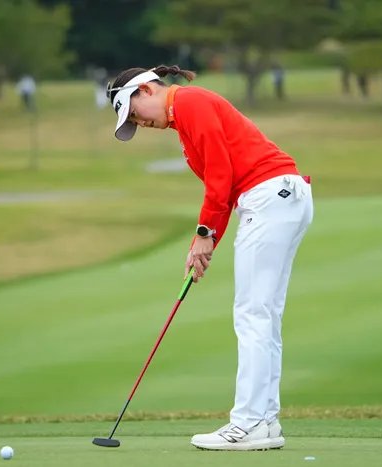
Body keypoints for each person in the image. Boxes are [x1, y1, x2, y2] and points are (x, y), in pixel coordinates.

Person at [106, 65, 313, 451]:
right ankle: (265, 422)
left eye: (134, 113)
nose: (140, 123)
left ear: (147, 90)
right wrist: (204, 242)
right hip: (280, 197)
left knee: (252, 314)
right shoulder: (185, 118)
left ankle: (248, 423)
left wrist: (204, 234)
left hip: (268, 196)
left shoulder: (189, 102)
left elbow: (221, 171)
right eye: (132, 122)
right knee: (264, 315)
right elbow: (223, 185)